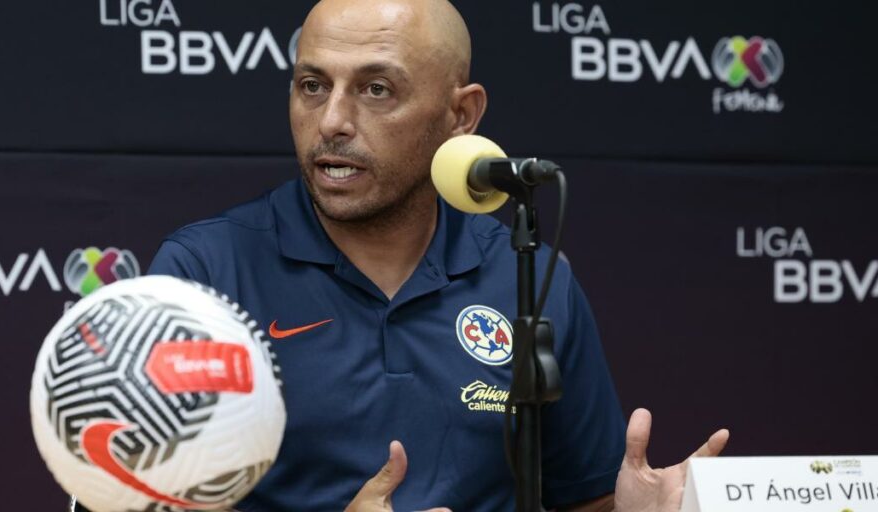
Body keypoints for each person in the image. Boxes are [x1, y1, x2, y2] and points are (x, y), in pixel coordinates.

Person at [147, 0, 729, 510]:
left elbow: (584, 499)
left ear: (462, 116)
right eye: (312, 85)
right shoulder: (202, 275)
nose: (332, 121)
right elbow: (137, 501)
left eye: (377, 89)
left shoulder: (528, 276)